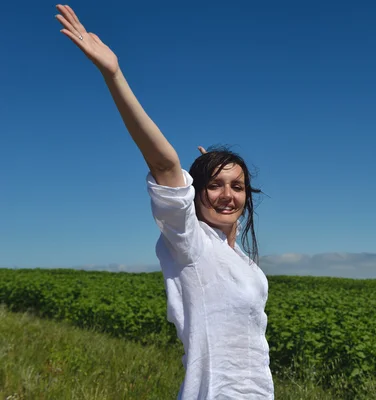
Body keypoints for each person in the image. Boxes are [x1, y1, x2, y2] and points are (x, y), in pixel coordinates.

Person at [54, 4, 274, 399]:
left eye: (237, 187)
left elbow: (228, 217)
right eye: (215, 186)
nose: (228, 195)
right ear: (194, 192)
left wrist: (211, 177)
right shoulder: (189, 244)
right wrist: (114, 74)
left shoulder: (235, 252)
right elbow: (163, 162)